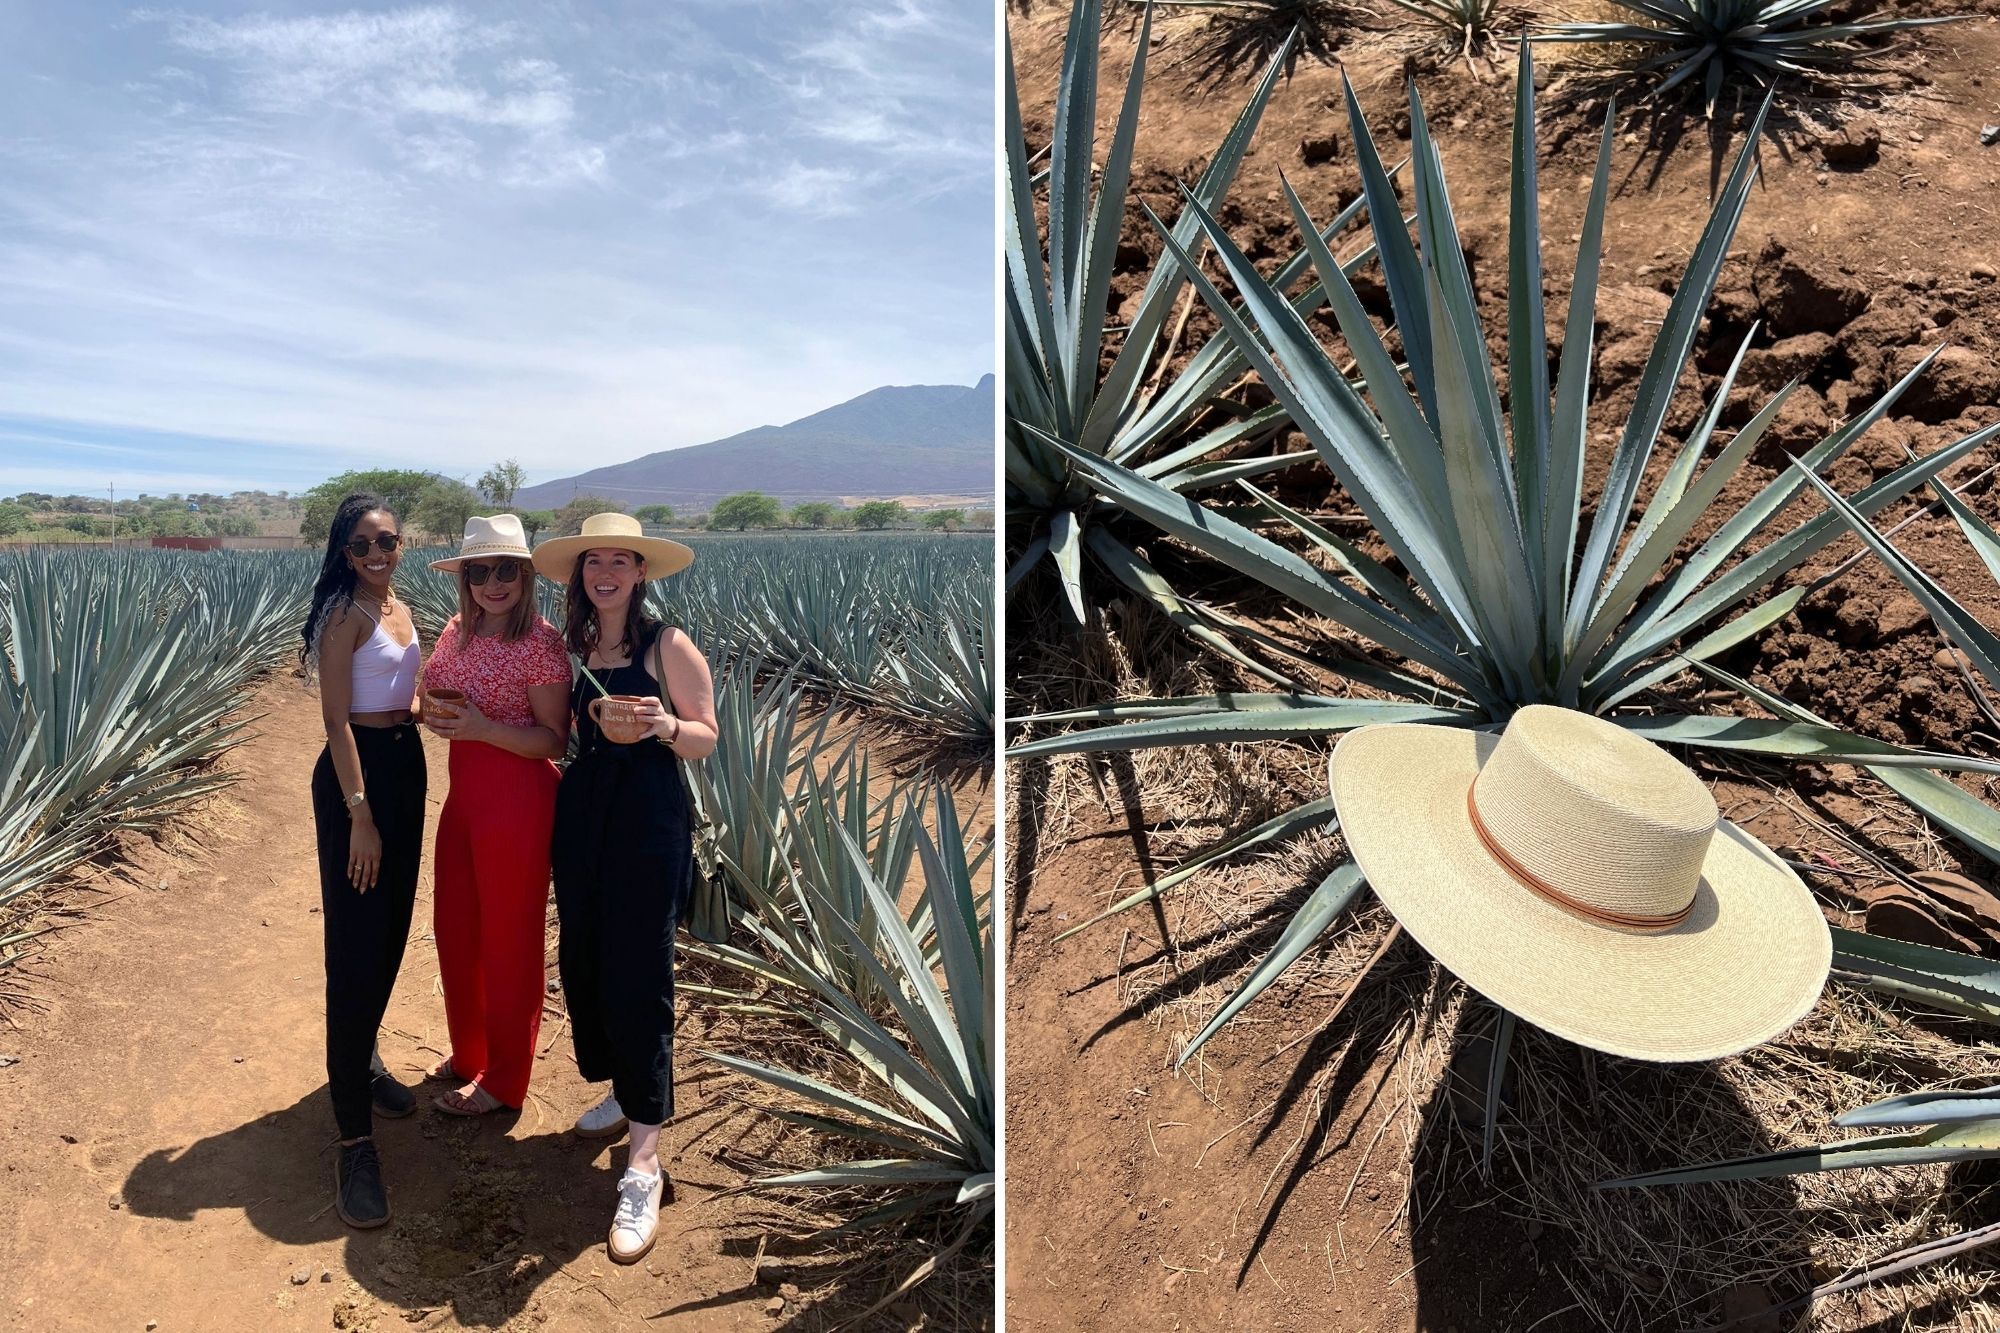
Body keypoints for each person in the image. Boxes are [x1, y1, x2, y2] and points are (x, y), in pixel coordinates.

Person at [532, 512, 716, 1265]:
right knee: (585, 963)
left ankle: (644, 1159)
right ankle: (624, 1088)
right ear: (581, 574)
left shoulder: (665, 644)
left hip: (649, 819)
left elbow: (707, 733)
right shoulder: (576, 646)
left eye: (620, 560)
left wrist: (662, 724)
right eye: (593, 561)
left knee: (641, 979)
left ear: (641, 572)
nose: (605, 572)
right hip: (583, 818)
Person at [418, 515, 573, 1117]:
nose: (493, 582)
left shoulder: (539, 642)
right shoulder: (459, 629)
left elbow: (553, 739)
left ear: (526, 573)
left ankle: (504, 1079)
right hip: (465, 796)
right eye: (480, 571)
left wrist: (482, 728)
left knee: (509, 939)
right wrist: (430, 712)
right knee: (457, 928)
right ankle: (468, 1054)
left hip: (518, 798)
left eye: (506, 569)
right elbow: (434, 693)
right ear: (465, 579)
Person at [302, 493, 426, 1229]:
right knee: (354, 945)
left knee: (390, 930)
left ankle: (365, 1058)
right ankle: (352, 1137)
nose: (378, 553)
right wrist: (360, 816)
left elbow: (395, 696)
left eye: (388, 539)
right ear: (344, 553)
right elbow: (336, 720)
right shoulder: (344, 614)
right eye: (362, 544)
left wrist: (423, 708)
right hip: (360, 783)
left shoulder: (402, 609)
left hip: (406, 769)